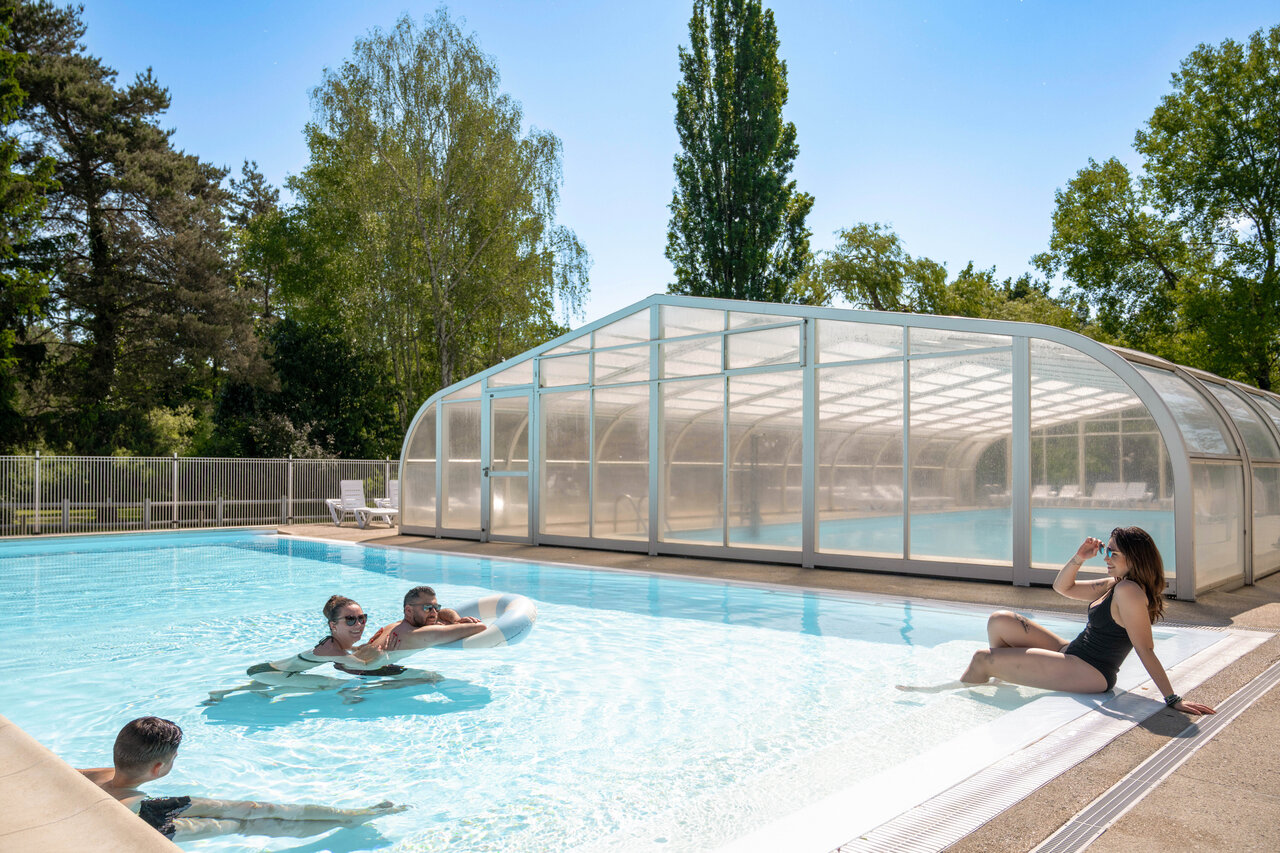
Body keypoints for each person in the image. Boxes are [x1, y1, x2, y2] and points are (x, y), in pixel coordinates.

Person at [902, 527, 1215, 715]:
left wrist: (1172, 699)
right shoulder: (1114, 585)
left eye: (1113, 553)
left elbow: (1145, 649)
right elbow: (1062, 587)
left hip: (1092, 672)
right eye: (1107, 549)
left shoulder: (1130, 592)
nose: (1106, 556)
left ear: (1135, 559)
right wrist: (1079, 557)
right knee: (1000, 621)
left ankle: (965, 695)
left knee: (983, 658)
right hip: (1074, 653)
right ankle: (1002, 675)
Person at [79, 717, 405, 840]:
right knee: (244, 821)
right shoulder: (142, 806)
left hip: (145, 811)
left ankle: (347, 820)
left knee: (247, 816)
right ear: (158, 770)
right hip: (154, 823)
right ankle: (347, 818)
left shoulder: (93, 776)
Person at [367, 586, 487, 659]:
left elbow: (444, 612)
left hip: (371, 664)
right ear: (408, 610)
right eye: (427, 607)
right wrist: (457, 625)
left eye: (436, 607)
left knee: (428, 677)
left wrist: (456, 620)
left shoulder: (395, 625)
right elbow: (480, 627)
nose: (434, 613)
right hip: (367, 672)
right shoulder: (417, 633)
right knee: (434, 679)